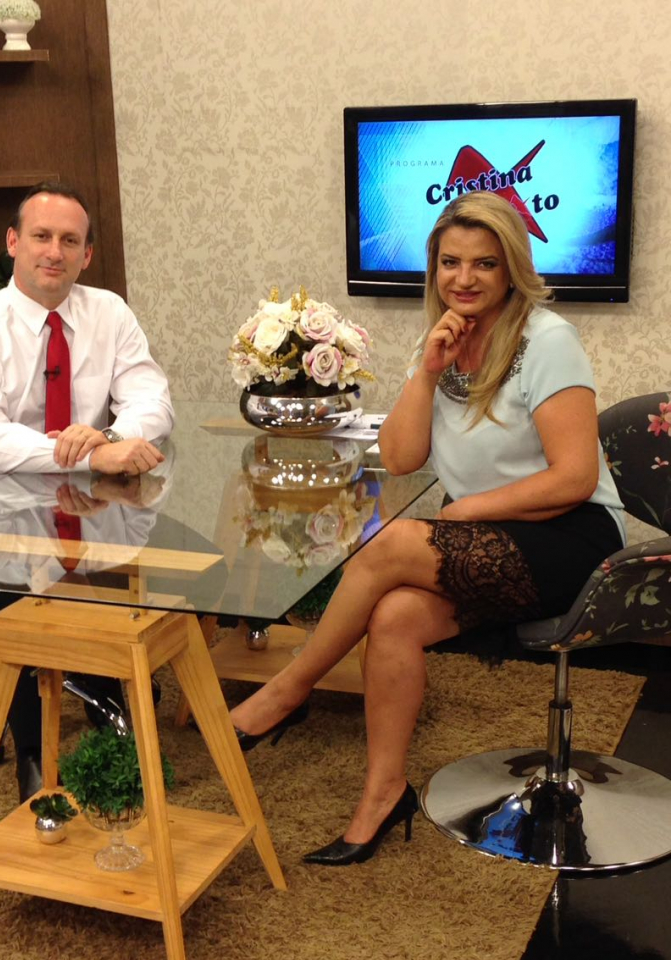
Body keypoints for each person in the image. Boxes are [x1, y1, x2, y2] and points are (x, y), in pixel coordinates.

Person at [231, 191, 626, 866]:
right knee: (393, 617)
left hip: (573, 537)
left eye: (484, 264)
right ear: (433, 267)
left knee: (391, 542)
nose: (463, 278)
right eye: (450, 262)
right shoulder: (440, 339)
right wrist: (427, 372)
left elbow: (573, 478)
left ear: (510, 269)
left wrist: (469, 509)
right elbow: (401, 456)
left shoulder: (547, 340)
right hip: (496, 540)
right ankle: (383, 796)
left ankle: (289, 689)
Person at [0, 181, 174, 800]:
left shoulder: (108, 313)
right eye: (41, 236)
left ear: (86, 255)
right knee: (18, 610)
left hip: (93, 505)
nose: (54, 252)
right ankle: (36, 760)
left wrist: (112, 435)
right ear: (13, 242)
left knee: (168, 564)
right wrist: (93, 452)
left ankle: (111, 679)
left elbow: (153, 402)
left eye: (70, 241)